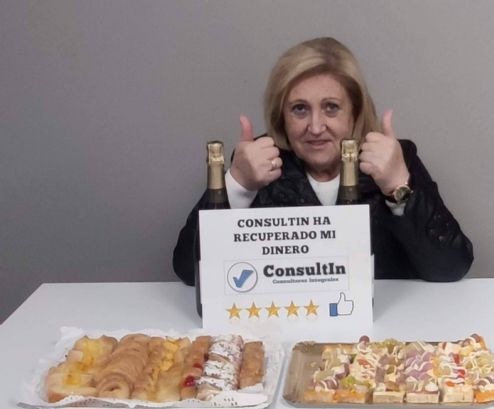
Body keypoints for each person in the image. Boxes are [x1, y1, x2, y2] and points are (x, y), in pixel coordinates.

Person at [173, 37, 473, 285]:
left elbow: (449, 268)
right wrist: (238, 185)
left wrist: (398, 187)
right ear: (281, 116)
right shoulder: (256, 165)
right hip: (286, 326)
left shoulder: (396, 160)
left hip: (380, 331)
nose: (315, 127)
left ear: (355, 113)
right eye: (300, 109)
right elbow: (189, 271)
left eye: (331, 107)